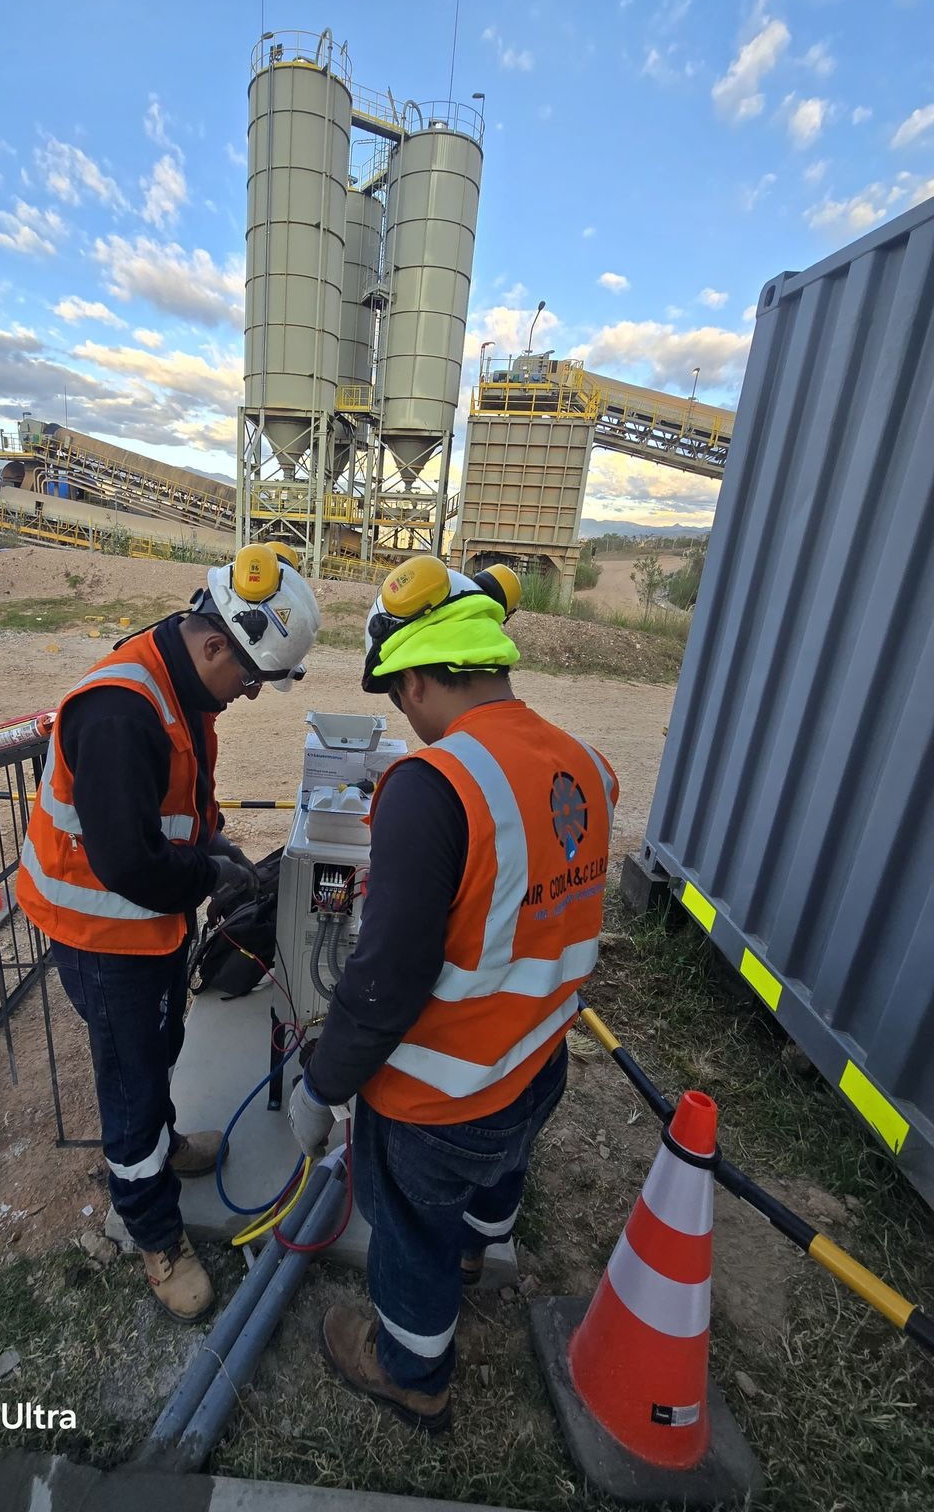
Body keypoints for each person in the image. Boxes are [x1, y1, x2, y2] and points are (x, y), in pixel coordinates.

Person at [288, 556, 618, 1432]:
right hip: (537, 1060)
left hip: (443, 1097)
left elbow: (385, 980)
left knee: (409, 1233)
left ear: (427, 677)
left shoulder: (432, 789)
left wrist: (322, 1085)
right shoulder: (586, 764)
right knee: (492, 1183)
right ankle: (479, 1252)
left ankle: (410, 1369)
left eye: (402, 694)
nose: (405, 715)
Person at [16, 545, 320, 1322]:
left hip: (144, 929)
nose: (251, 694)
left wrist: (213, 843)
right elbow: (128, 864)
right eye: (251, 678)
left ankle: (168, 1142)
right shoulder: (121, 713)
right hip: (102, 932)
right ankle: (154, 1233)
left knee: (161, 1046)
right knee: (131, 1079)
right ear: (215, 643)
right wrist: (208, 879)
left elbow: (182, 796)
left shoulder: (183, 679)